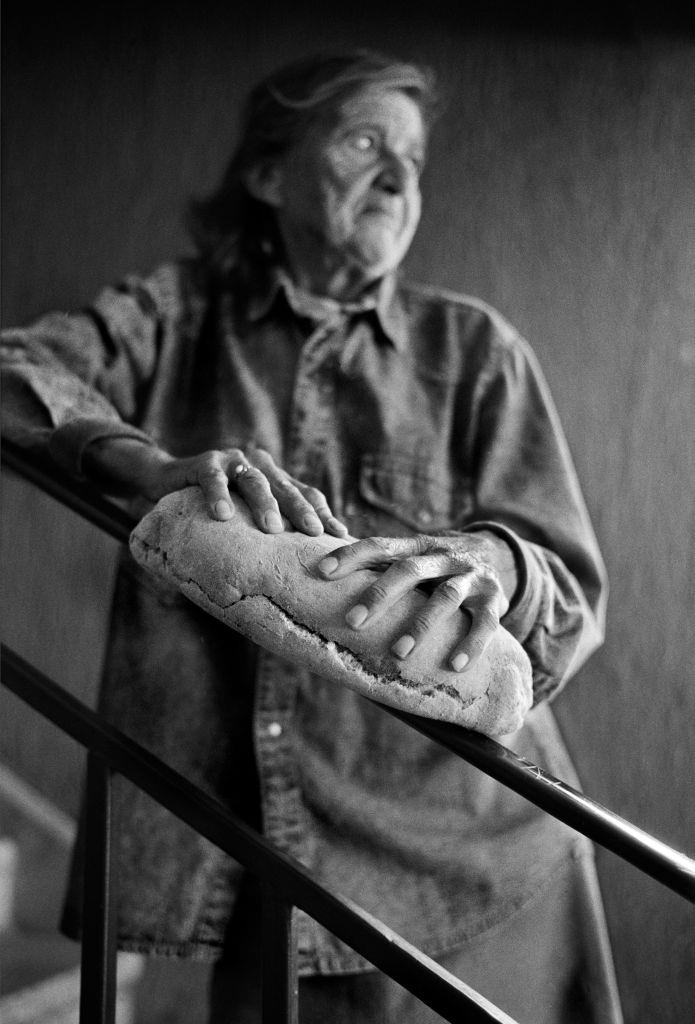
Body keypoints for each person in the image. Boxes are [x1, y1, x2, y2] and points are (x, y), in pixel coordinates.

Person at [1, 50, 624, 1024]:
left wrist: (493, 559)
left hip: (472, 865)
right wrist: (137, 461)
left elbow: (570, 586)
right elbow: (14, 373)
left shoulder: (472, 351)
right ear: (266, 174)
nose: (399, 176)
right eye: (366, 140)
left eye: (414, 158)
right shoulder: (175, 317)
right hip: (259, 866)